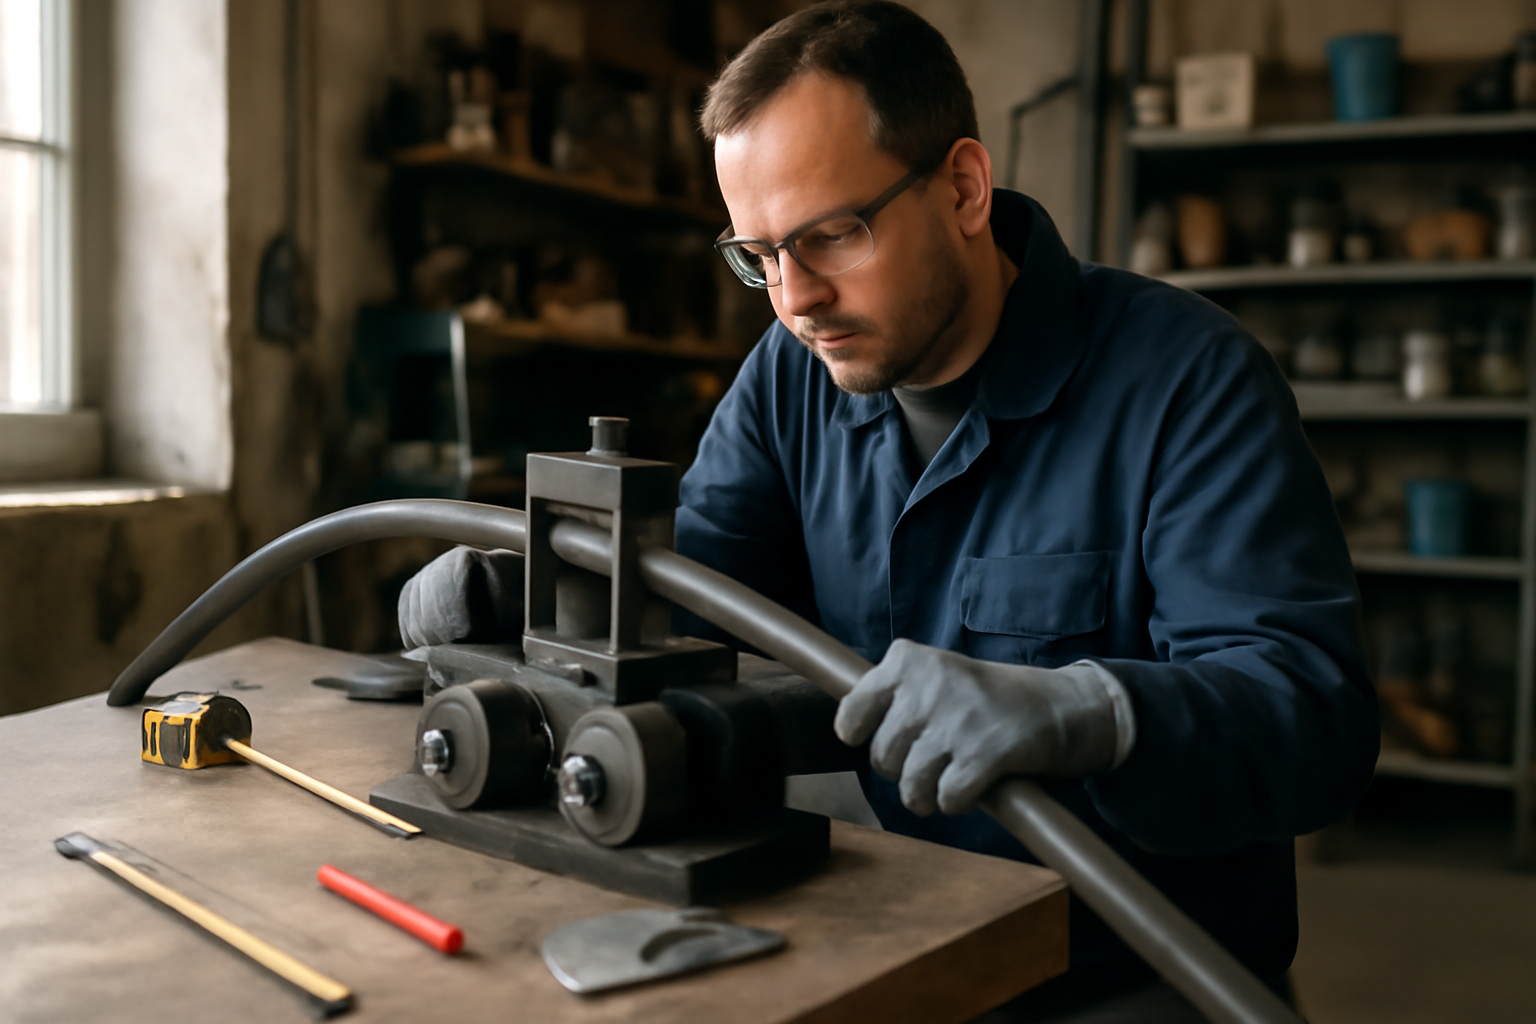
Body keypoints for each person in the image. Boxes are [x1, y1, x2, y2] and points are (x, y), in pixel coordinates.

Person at [399, 3, 1379, 1019]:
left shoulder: (1187, 380)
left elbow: (1312, 719)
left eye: (830, 235)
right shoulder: (793, 375)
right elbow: (699, 599)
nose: (794, 297)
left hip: (1132, 968)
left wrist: (1087, 711)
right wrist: (528, 588)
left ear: (963, 187)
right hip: (898, 930)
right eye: (759, 254)